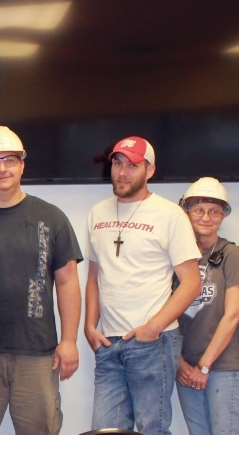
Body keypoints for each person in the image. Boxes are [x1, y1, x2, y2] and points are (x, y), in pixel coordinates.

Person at [0, 127, 82, 435]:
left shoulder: (52, 218)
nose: (2, 168)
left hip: (37, 353)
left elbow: (68, 282)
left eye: (10, 160)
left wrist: (69, 341)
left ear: (22, 165)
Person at [84, 136, 200, 434]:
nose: (122, 172)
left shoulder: (170, 215)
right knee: (105, 434)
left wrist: (153, 328)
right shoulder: (97, 213)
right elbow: (95, 275)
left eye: (132, 166)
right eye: (117, 163)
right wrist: (89, 325)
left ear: (150, 170)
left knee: (152, 431)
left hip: (152, 342)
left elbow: (191, 283)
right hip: (109, 342)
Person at [174, 177, 239, 435]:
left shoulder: (231, 254)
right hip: (186, 368)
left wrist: (204, 366)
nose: (206, 217)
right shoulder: (179, 258)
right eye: (198, 210)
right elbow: (166, 314)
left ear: (223, 216)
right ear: (187, 212)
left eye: (214, 211)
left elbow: (233, 315)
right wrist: (180, 363)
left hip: (222, 367)